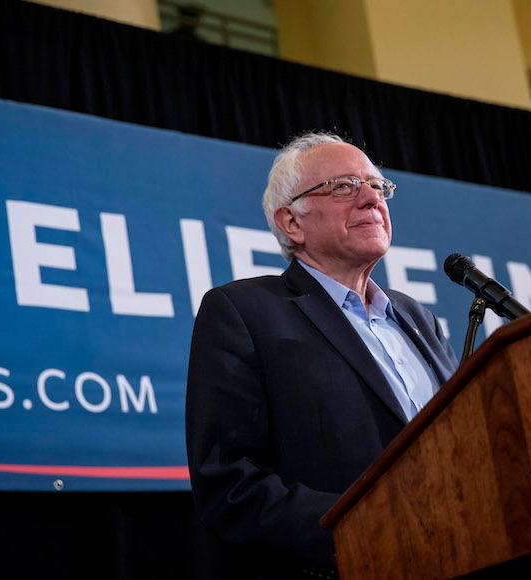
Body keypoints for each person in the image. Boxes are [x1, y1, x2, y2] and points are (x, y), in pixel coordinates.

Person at [185, 131, 459, 579]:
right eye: (344, 186)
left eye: (378, 186)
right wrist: (372, 527)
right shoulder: (245, 311)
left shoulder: (417, 317)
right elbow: (230, 485)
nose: (372, 198)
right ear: (292, 223)